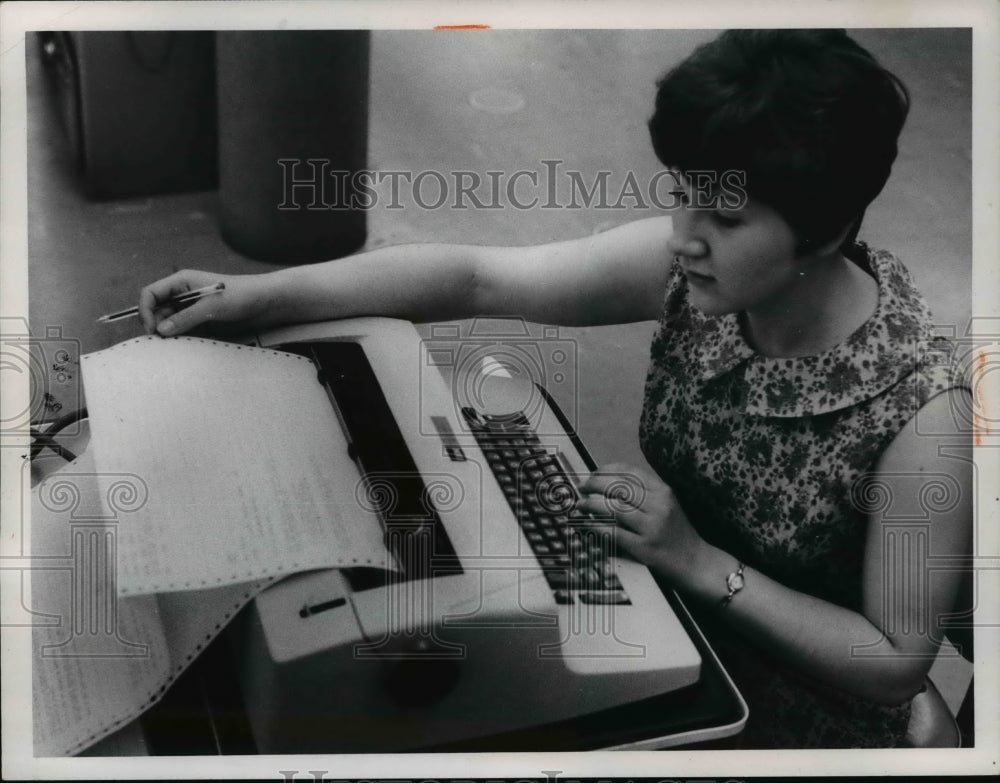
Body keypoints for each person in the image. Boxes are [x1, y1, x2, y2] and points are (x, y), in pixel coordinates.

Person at [137, 30, 972, 748]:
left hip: (794, 709)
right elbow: (476, 278)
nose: (684, 236)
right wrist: (255, 294)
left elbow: (894, 659)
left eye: (725, 219)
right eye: (682, 193)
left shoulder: (917, 414)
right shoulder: (705, 276)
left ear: (825, 229)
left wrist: (700, 563)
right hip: (667, 601)